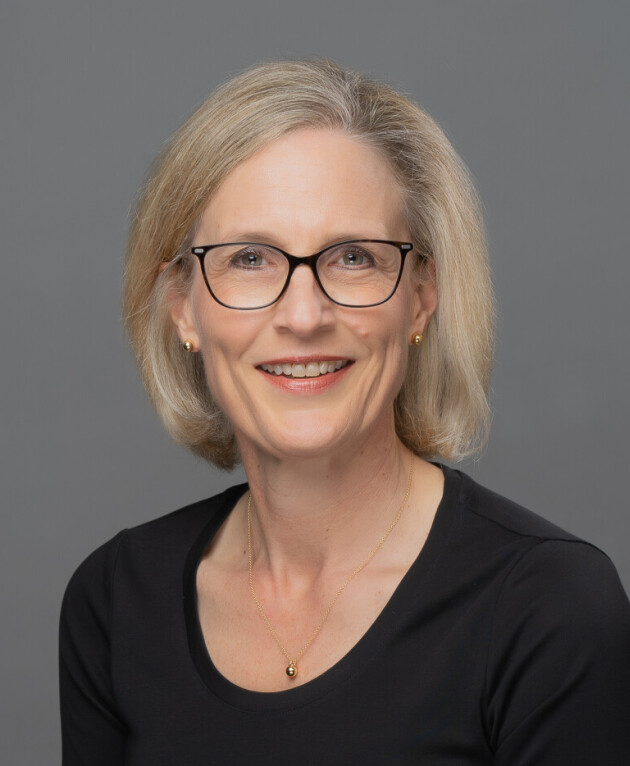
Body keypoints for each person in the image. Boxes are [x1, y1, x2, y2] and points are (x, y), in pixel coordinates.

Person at [59, 59, 630, 765]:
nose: (304, 315)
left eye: (353, 257)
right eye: (249, 259)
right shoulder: (116, 603)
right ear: (183, 307)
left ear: (421, 296)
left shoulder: (549, 609)